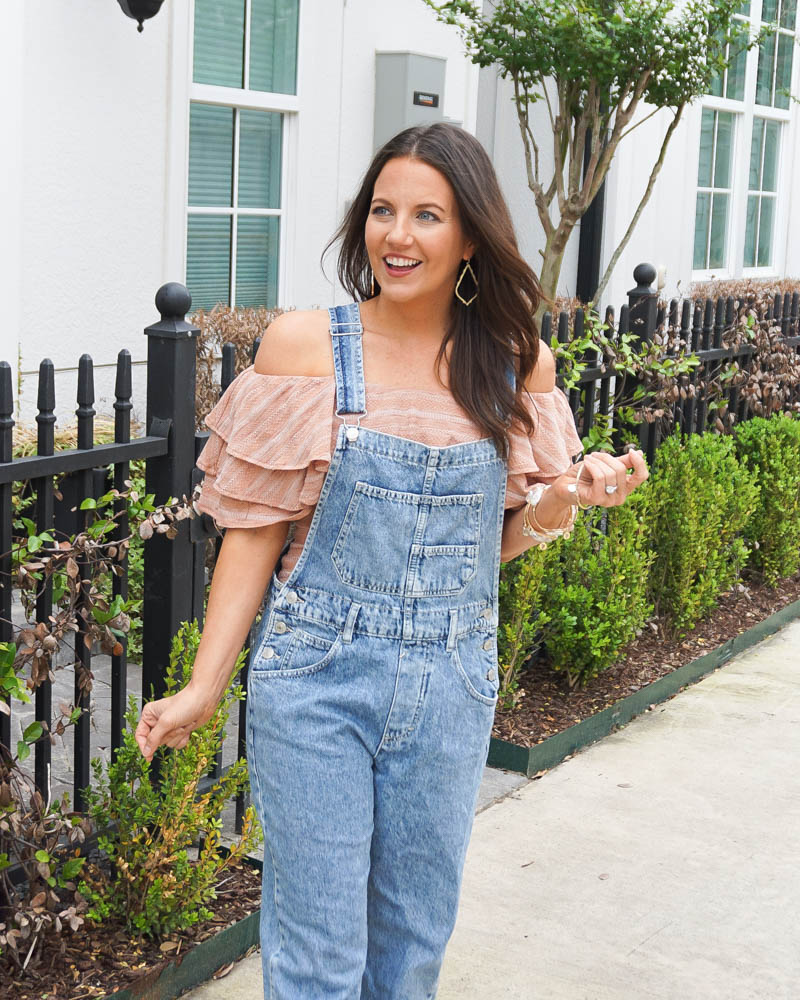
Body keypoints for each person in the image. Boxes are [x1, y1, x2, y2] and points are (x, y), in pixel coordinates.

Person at [135, 122, 648, 998]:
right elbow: (255, 534)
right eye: (382, 211)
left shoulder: (517, 361)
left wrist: (564, 499)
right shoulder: (306, 348)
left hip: (452, 677)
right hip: (318, 675)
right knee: (318, 955)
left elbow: (498, 540)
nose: (397, 237)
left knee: (411, 949)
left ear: (471, 237)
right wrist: (204, 687)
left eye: (426, 215)